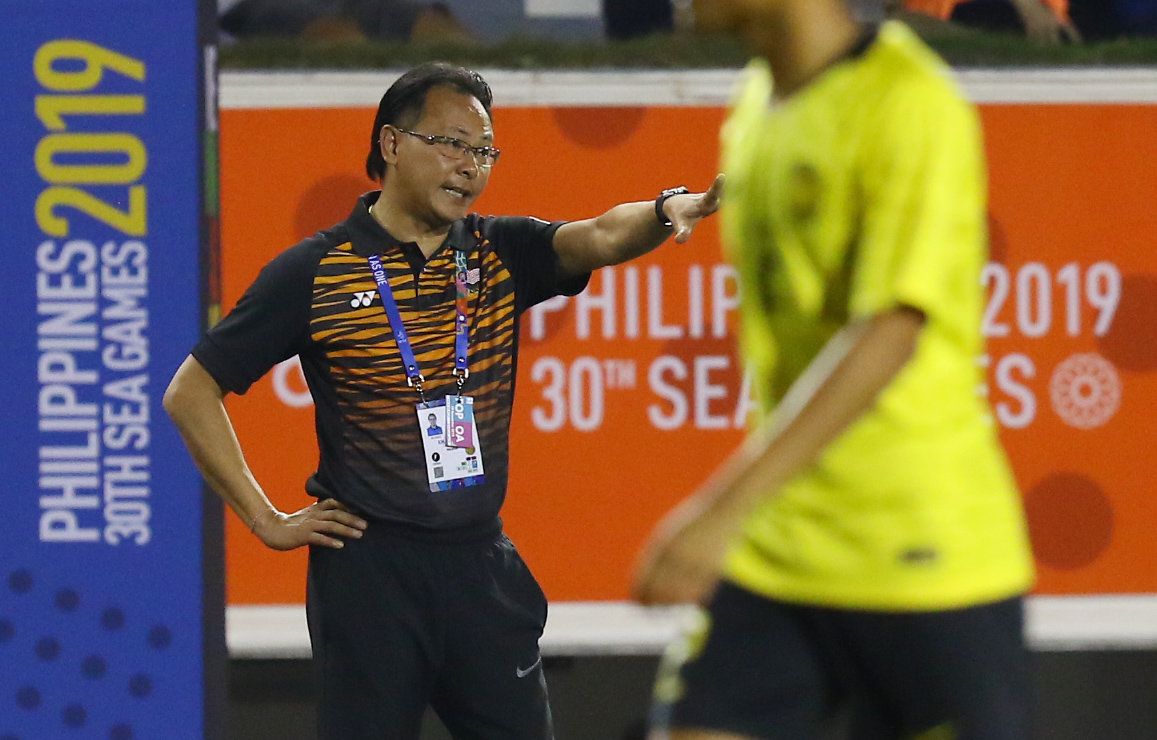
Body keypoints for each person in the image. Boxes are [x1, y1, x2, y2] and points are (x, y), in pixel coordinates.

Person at [164, 62, 721, 739]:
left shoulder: (497, 251)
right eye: (453, 143)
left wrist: (666, 210)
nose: (471, 167)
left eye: (484, 151)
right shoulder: (316, 270)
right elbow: (191, 391)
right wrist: (264, 518)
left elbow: (601, 235)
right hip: (369, 574)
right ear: (393, 144)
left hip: (479, 569)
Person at [632, 2, 1035, 739]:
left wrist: (721, 508)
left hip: (920, 555)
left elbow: (889, 330)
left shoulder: (907, 101)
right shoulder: (756, 97)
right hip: (781, 550)